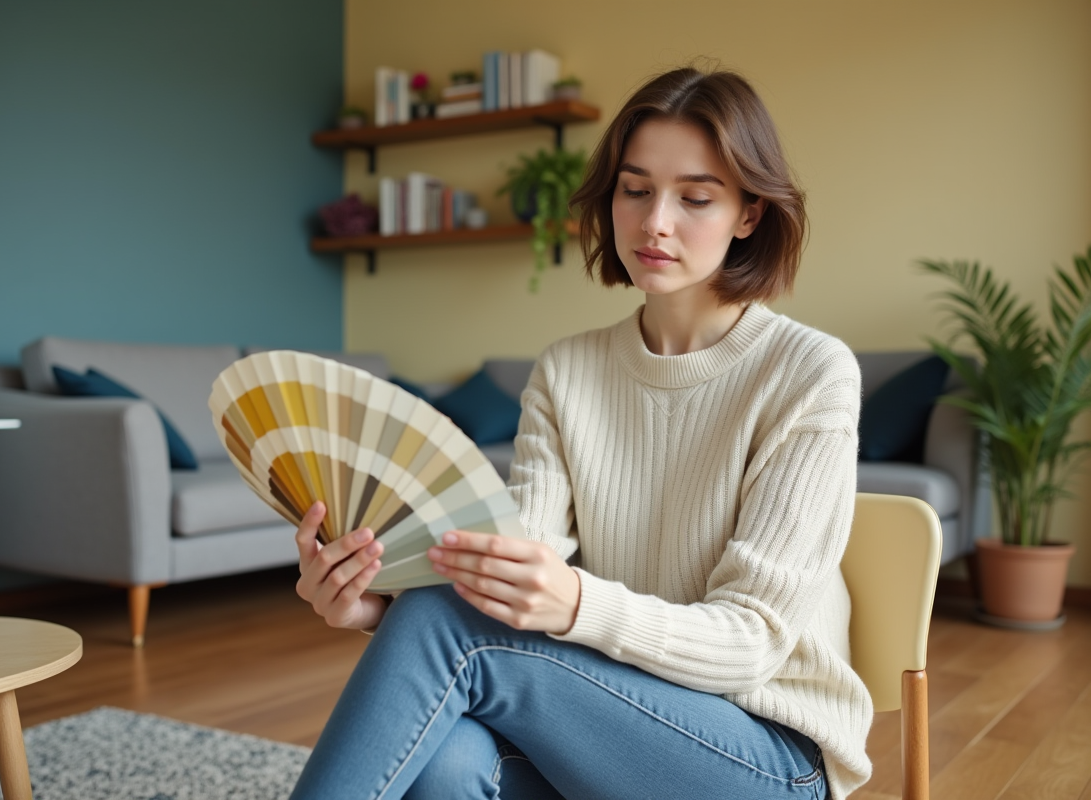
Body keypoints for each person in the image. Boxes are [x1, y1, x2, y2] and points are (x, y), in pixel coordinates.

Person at [288, 64, 873, 800]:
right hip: (604, 729)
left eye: (695, 197)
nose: (655, 221)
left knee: (448, 626)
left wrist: (574, 604)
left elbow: (752, 644)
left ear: (749, 214)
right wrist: (369, 607)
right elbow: (504, 576)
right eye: (635, 190)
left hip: (764, 759)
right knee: (445, 758)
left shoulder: (809, 371)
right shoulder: (568, 372)